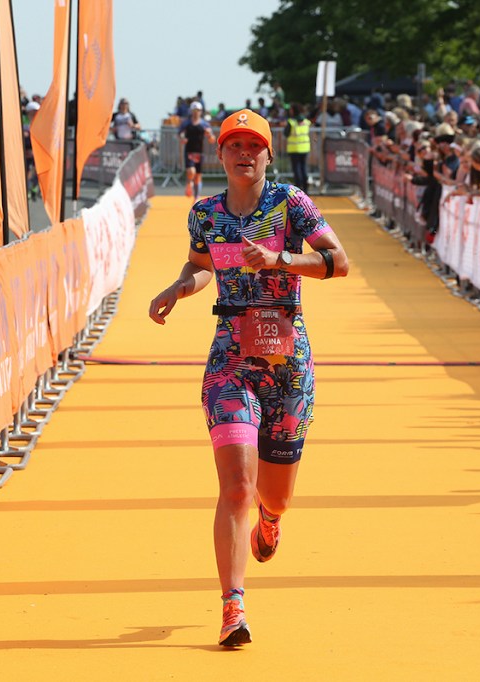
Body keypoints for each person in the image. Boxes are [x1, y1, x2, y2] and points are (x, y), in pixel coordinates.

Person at [148, 109, 348, 647]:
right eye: (233, 145)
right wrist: (177, 288)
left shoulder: (291, 204)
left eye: (253, 145)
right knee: (236, 484)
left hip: (287, 360)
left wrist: (281, 259)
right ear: (220, 155)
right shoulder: (206, 214)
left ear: (268, 154)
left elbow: (339, 261)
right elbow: (200, 267)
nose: (243, 153)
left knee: (273, 495)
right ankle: (232, 607)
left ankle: (272, 520)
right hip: (229, 359)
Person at [179, 102, 216, 200]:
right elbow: (180, 134)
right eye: (194, 111)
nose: (196, 113)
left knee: (198, 176)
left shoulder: (204, 124)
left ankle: (196, 198)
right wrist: (182, 138)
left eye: (198, 111)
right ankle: (188, 183)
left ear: (201, 112)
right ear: (191, 111)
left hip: (200, 151)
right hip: (189, 151)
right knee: (191, 171)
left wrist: (209, 135)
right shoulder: (186, 123)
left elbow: (212, 139)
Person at [284, 103, 311, 191]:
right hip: (305, 148)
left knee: (297, 169)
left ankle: (299, 187)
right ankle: (305, 186)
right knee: (303, 168)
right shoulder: (306, 122)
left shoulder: (291, 122)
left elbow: (286, 133)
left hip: (294, 148)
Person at [23, 100, 40, 201]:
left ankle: (33, 189)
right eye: (32, 112)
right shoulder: (24, 122)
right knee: (27, 172)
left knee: (37, 172)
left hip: (37, 153)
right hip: (26, 152)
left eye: (36, 112)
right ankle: (27, 191)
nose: (34, 114)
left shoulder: (41, 122)